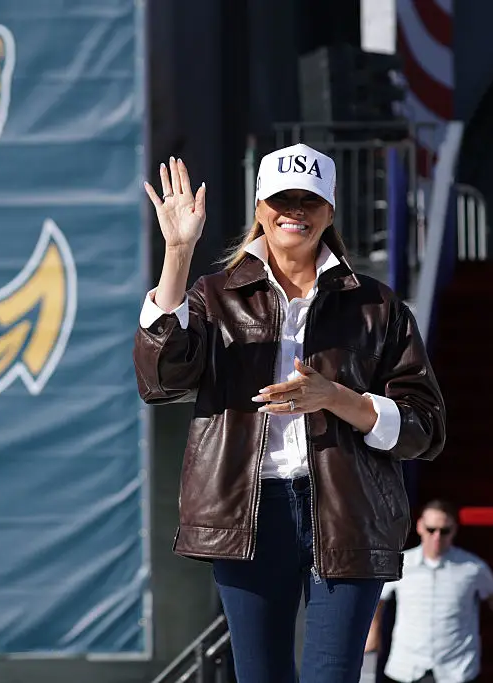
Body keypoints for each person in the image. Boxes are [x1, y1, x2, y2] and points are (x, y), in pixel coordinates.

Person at [134, 148, 447, 682]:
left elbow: (425, 428)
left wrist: (337, 398)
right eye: (281, 199)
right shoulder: (214, 296)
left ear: (329, 211)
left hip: (348, 512)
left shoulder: (379, 306)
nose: (294, 211)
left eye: (309, 200)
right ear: (260, 207)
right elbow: (161, 379)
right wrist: (179, 253)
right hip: (248, 511)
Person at [375, 500, 493, 683]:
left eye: (444, 531)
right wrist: (374, 634)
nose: (437, 537)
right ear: (420, 527)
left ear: (454, 530)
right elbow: (378, 599)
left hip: (456, 668)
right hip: (407, 666)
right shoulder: (402, 563)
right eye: (431, 530)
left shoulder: (472, 567)